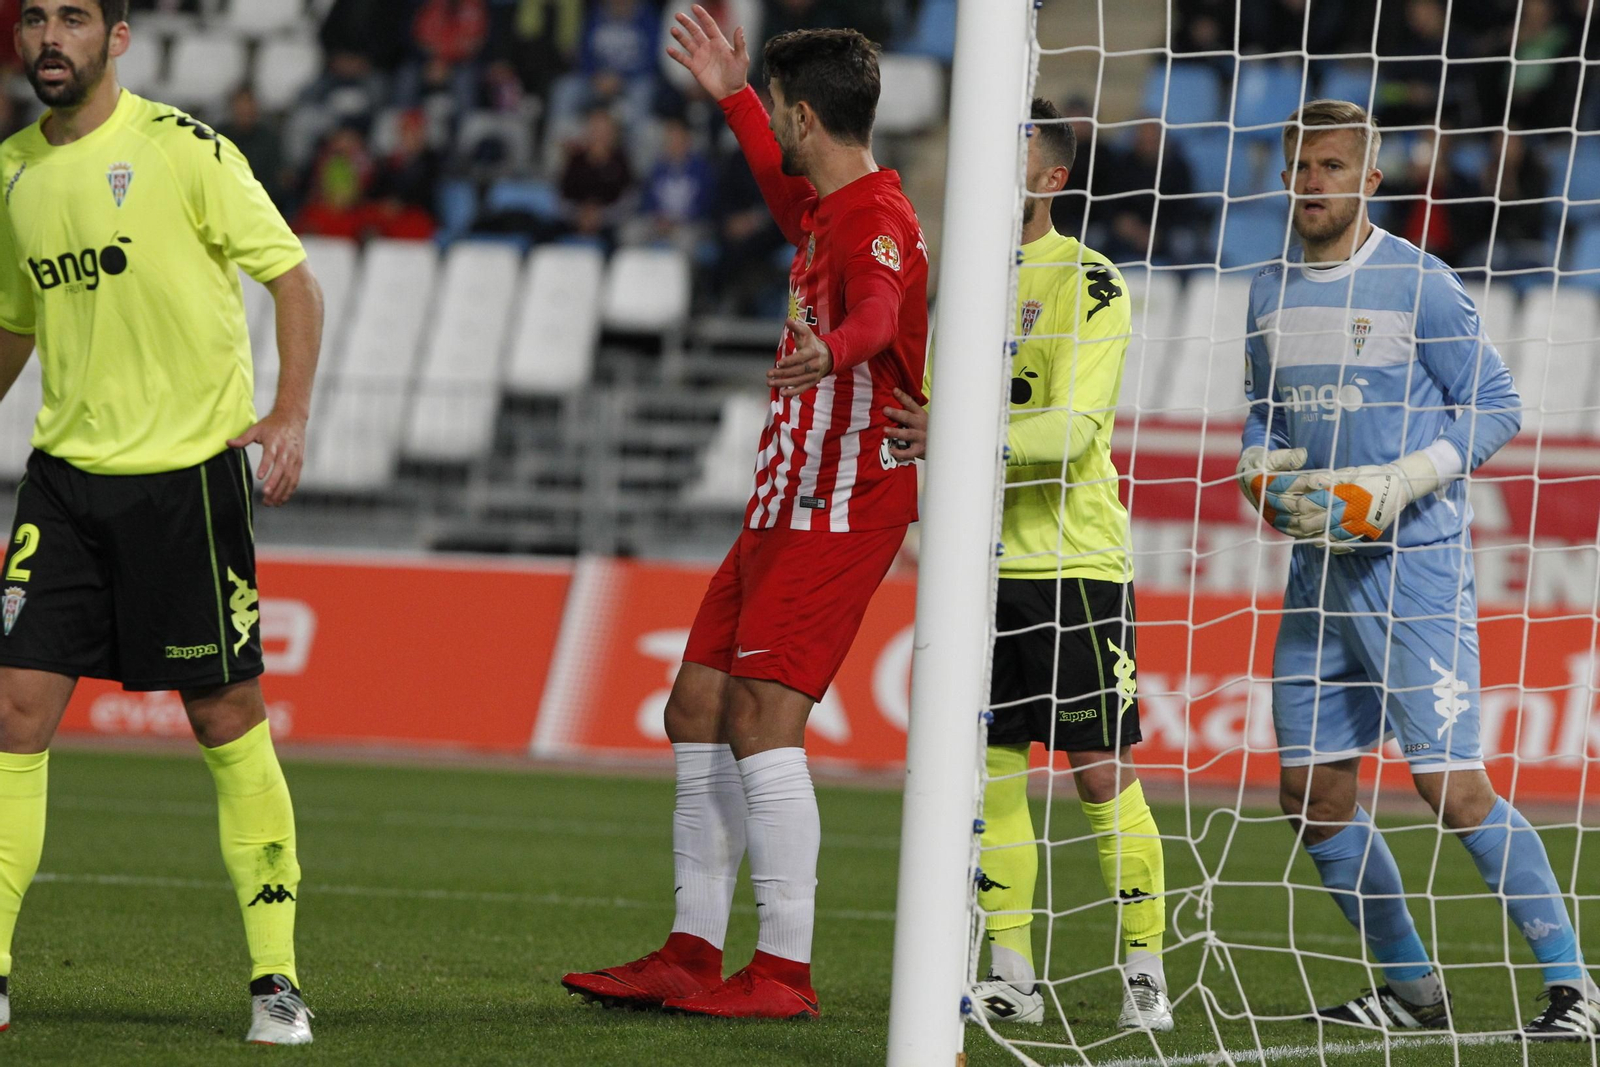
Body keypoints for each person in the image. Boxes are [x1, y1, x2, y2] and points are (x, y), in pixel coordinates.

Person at [561, 6, 928, 1020]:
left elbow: (878, 312)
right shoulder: (828, 209)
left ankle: (783, 971)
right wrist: (732, 97)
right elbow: (779, 184)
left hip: (843, 501)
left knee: (765, 718)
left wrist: (835, 351)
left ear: (805, 116)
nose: (776, 128)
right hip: (784, 497)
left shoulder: (876, 219)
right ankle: (689, 951)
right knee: (695, 707)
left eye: (776, 108)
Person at [0, 0, 324, 1044]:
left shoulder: (186, 149)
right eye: (35, 19)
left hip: (187, 481)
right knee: (12, 714)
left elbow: (293, 280)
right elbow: (14, 322)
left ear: (118, 39)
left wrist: (288, 414)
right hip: (64, 483)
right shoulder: (10, 172)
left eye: (74, 18)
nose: (51, 38)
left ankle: (275, 979)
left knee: (225, 717)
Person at [1240, 99, 1599, 1038]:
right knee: (1312, 797)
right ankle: (1411, 990)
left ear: (1369, 179)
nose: (1312, 183)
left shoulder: (1419, 282)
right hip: (1320, 574)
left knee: (1454, 788)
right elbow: (1264, 412)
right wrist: (1258, 468)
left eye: (1331, 167)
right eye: (1300, 165)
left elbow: (1496, 404)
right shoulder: (1268, 288)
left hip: (1416, 570)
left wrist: (1401, 480)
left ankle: (1575, 988)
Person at [881, 98, 1173, 1034]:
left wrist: (956, 432)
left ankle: (1145, 971)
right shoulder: (965, 287)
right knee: (994, 772)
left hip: (1073, 564)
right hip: (981, 571)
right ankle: (1011, 971)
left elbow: (1074, 429)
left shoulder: (1091, 281)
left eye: (1009, 156)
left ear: (1052, 178)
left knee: (1097, 772)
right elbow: (926, 416)